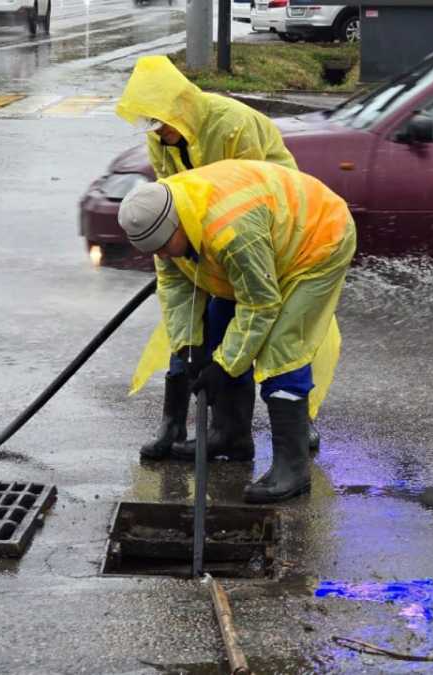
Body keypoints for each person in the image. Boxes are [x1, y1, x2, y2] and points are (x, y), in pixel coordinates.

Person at [117, 160, 356, 503]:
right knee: (216, 327)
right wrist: (192, 345)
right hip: (264, 244)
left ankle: (293, 469)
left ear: (178, 225)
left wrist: (223, 366)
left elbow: (260, 304)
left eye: (165, 246)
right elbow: (175, 285)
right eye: (154, 251)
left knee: (281, 348)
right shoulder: (163, 222)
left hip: (316, 241)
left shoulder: (231, 229)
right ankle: (230, 436)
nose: (161, 255)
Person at [116, 55, 300, 465]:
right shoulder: (159, 138)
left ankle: (293, 425)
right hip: (197, 233)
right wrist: (176, 251)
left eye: (160, 122)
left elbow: (258, 193)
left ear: (178, 108)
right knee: (187, 324)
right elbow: (169, 199)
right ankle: (179, 422)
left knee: (261, 325)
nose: (158, 134)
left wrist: (223, 254)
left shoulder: (232, 125)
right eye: (150, 125)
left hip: (256, 231)